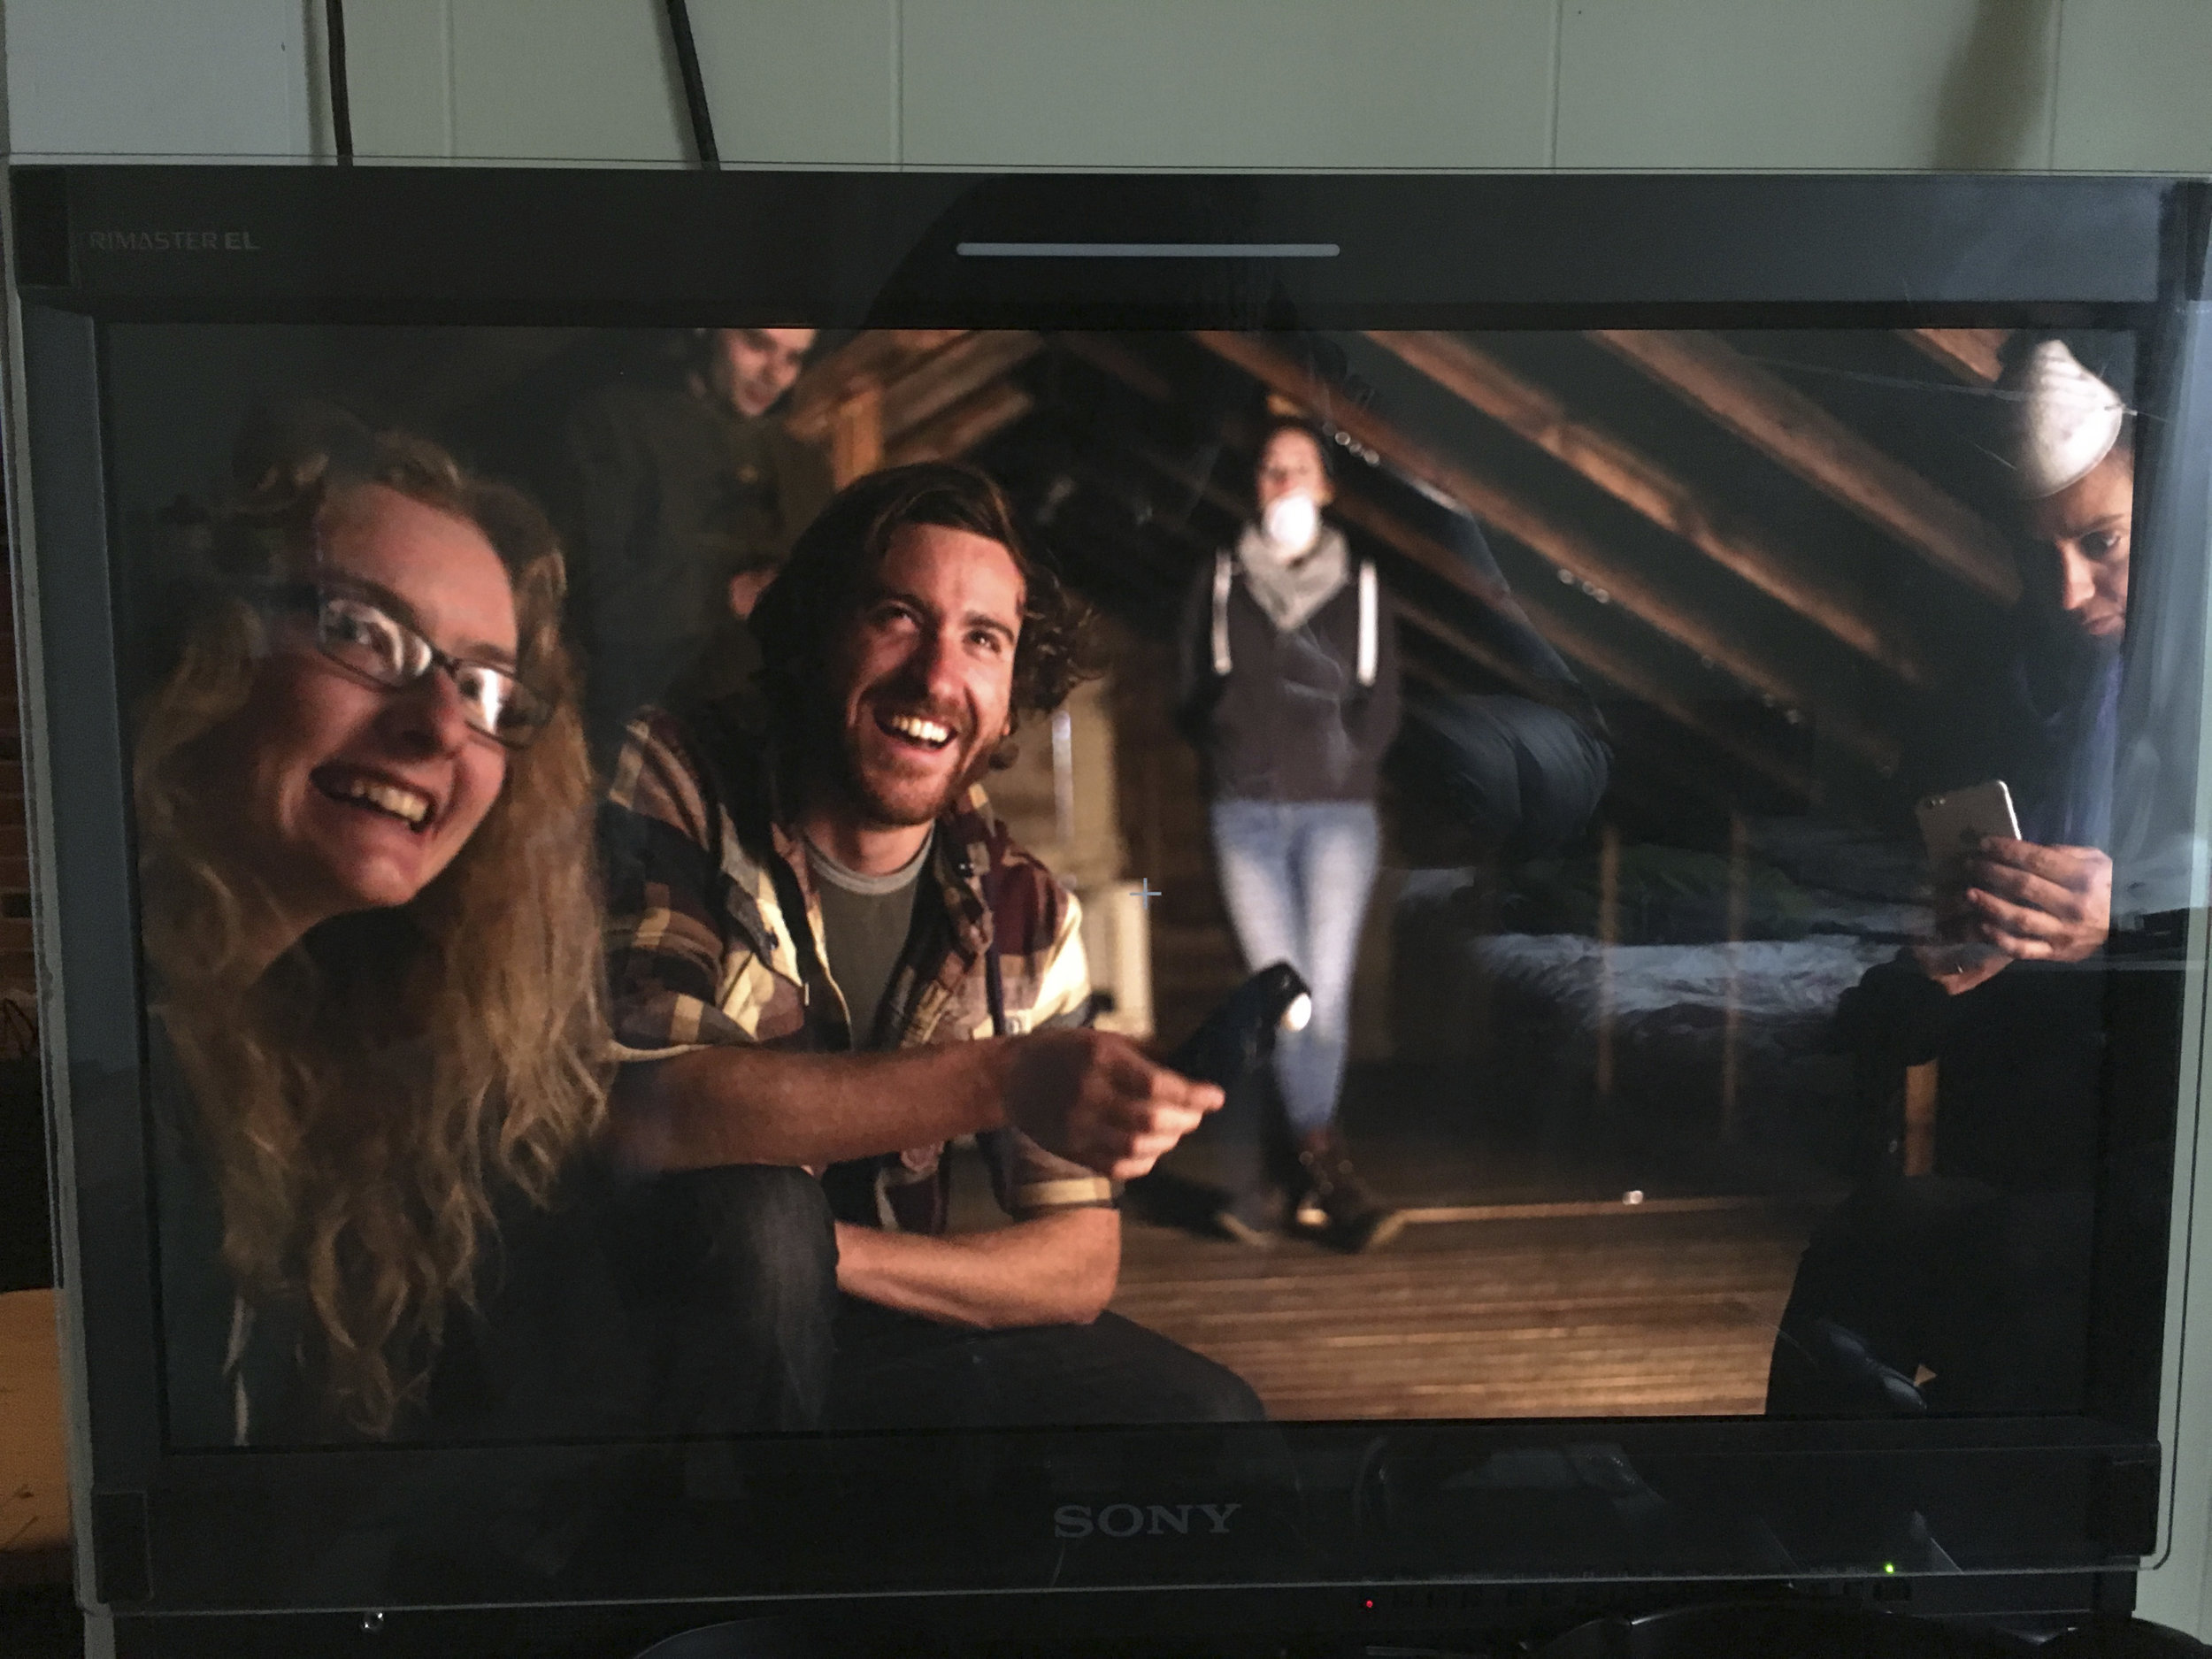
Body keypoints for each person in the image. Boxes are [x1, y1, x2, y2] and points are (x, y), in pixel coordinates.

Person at [599, 459, 1263, 1431]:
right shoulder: (675, 776)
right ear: (817, 632)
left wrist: (842, 1257)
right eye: (897, 618)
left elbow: (1077, 1263)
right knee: (758, 1221)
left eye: (983, 640)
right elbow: (647, 1108)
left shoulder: (1024, 906)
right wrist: (1005, 1076)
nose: (937, 677)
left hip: (870, 1323)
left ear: (1009, 694)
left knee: (1209, 1423)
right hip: (650, 1351)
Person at [135, 414, 623, 1445]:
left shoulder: (331, 1065)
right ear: (209, 645)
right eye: (364, 632)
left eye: (487, 686)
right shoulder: (101, 1053)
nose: (441, 724)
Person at [1766, 334, 2140, 1417]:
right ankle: (1775, 1552)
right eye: (2040, 558)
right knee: (1858, 1244)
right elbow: (1996, 997)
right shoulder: (2030, 700)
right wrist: (1932, 976)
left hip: (2170, 1190)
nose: (2067, 591)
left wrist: (2135, 916)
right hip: (2061, 1149)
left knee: (2020, 1272)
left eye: (2101, 542)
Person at [1176, 419, 1405, 1252]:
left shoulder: (1364, 583)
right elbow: (1190, 689)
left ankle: (1293, 1169)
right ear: (1256, 485)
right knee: (1283, 993)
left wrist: (1341, 762)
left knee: (1326, 996)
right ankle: (1318, 1170)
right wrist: (1237, 746)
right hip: (1245, 815)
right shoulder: (1222, 575)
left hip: (1340, 817)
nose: (1284, 483)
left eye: (1299, 469)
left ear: (1327, 487)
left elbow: (1382, 702)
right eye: (1270, 470)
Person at [556, 326, 833, 763]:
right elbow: (585, 593)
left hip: (753, 746)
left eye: (792, 359)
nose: (773, 375)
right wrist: (727, 592)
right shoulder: (617, 426)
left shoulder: (804, 469)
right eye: (757, 345)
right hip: (627, 734)